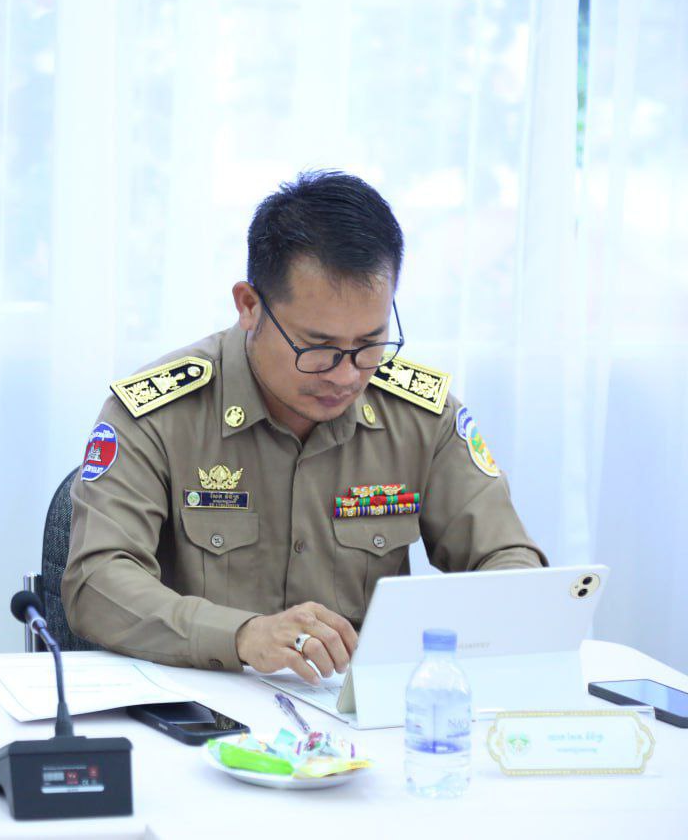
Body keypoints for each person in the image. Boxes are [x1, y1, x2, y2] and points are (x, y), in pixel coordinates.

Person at [62, 171, 544, 686]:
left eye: (370, 343)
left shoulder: (422, 417)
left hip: (359, 711)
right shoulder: (158, 413)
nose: (347, 375)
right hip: (203, 702)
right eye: (318, 347)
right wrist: (241, 635)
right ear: (249, 306)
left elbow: (509, 560)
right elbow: (96, 582)